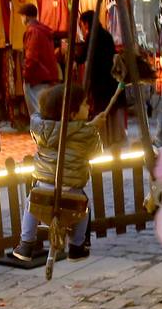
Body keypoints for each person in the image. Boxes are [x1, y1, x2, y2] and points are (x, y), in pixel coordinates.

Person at [6, 82, 100, 269]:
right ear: (72, 114)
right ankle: (77, 245)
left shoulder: (41, 129)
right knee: (83, 209)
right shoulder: (87, 133)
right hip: (71, 189)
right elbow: (97, 152)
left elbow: (40, 117)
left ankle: (26, 243)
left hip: (43, 186)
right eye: (84, 104)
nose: (89, 107)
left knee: (30, 204)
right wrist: (94, 129)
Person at [19, 1, 60, 114]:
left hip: (36, 78)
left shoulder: (33, 31)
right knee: (45, 111)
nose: (21, 19)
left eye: (21, 16)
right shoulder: (43, 30)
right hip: (47, 76)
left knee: (37, 113)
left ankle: (40, 132)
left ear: (26, 16)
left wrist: (26, 74)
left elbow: (31, 56)